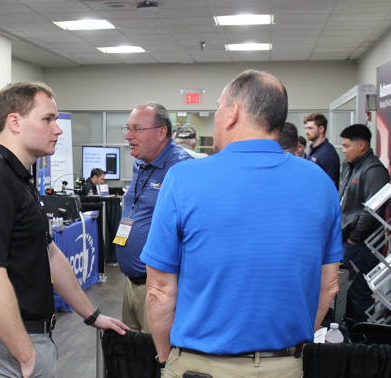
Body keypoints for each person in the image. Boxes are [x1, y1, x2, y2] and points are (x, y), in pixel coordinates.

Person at [142, 70, 342, 378]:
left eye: (220, 106)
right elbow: (328, 286)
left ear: (233, 112)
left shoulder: (184, 179)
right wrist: (290, 351)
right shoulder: (321, 184)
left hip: (199, 367)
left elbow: (158, 290)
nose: (218, 114)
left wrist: (168, 361)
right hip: (285, 366)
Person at [0, 81, 128, 378]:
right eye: (47, 119)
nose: (58, 129)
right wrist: (25, 354)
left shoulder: (17, 178)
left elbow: (50, 254)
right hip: (8, 347)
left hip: (27, 341)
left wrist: (92, 315)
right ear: (14, 122)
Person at [116, 102, 192, 332]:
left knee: (156, 359)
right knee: (133, 358)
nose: (128, 136)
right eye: (127, 128)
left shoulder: (180, 168)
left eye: (137, 129)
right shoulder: (140, 163)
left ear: (161, 132)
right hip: (131, 284)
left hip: (159, 288)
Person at [339, 123, 391, 321]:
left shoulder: (374, 171)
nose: (343, 150)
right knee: (348, 295)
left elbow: (372, 211)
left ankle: (363, 344)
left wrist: (354, 239)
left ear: (361, 145)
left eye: (346, 146)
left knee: (359, 295)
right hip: (349, 243)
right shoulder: (352, 167)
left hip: (362, 246)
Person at [304, 112, 341, 187]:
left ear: (321, 129)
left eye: (310, 128)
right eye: (306, 128)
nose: (307, 132)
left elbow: (330, 186)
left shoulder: (328, 153)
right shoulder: (313, 149)